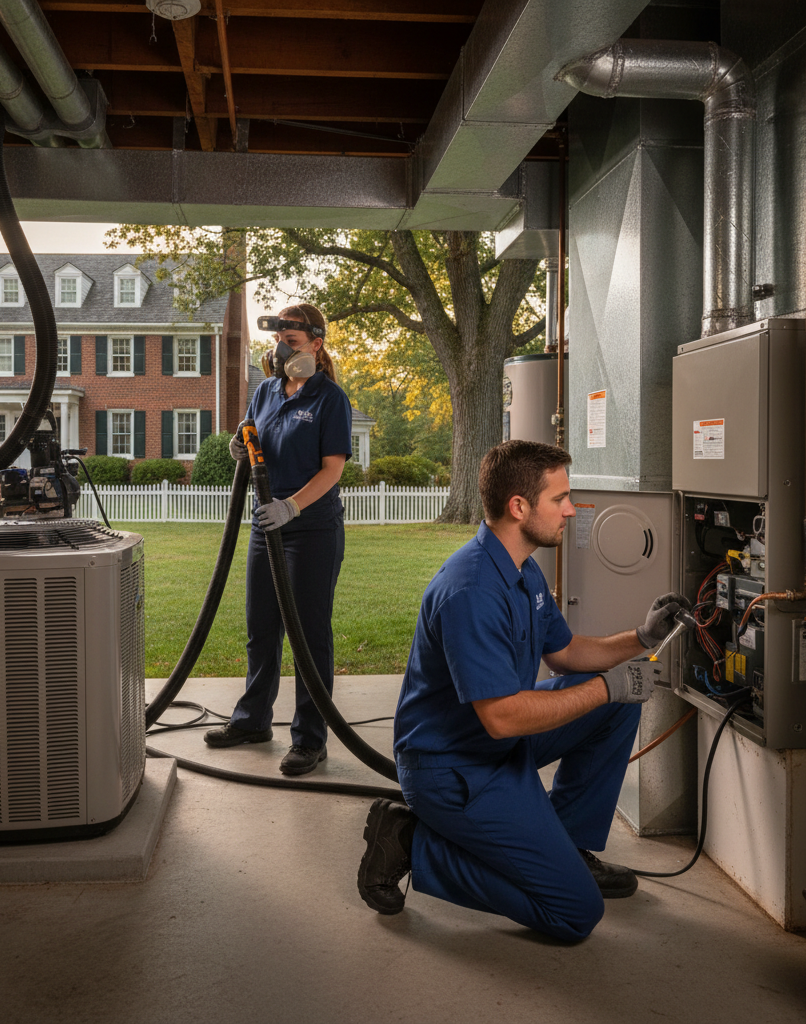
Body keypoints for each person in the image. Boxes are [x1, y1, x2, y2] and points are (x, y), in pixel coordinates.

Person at [356, 439, 688, 940]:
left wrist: (642, 638)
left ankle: (568, 843)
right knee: (575, 913)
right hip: (455, 768)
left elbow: (567, 653)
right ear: (519, 506)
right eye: (560, 499)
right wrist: (607, 687)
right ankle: (412, 843)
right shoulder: (470, 591)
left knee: (616, 707)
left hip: (498, 746)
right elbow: (503, 717)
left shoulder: (520, 567)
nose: (571, 510)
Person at [204, 303, 353, 776]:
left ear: (315, 344)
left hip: (310, 531)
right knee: (261, 629)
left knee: (309, 637)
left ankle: (310, 739)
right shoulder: (266, 390)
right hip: (264, 527)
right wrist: (240, 445)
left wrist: (292, 505)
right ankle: (252, 721)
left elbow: (333, 470)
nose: (282, 349)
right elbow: (252, 437)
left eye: (292, 341)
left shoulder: (331, 399)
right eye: (278, 341)